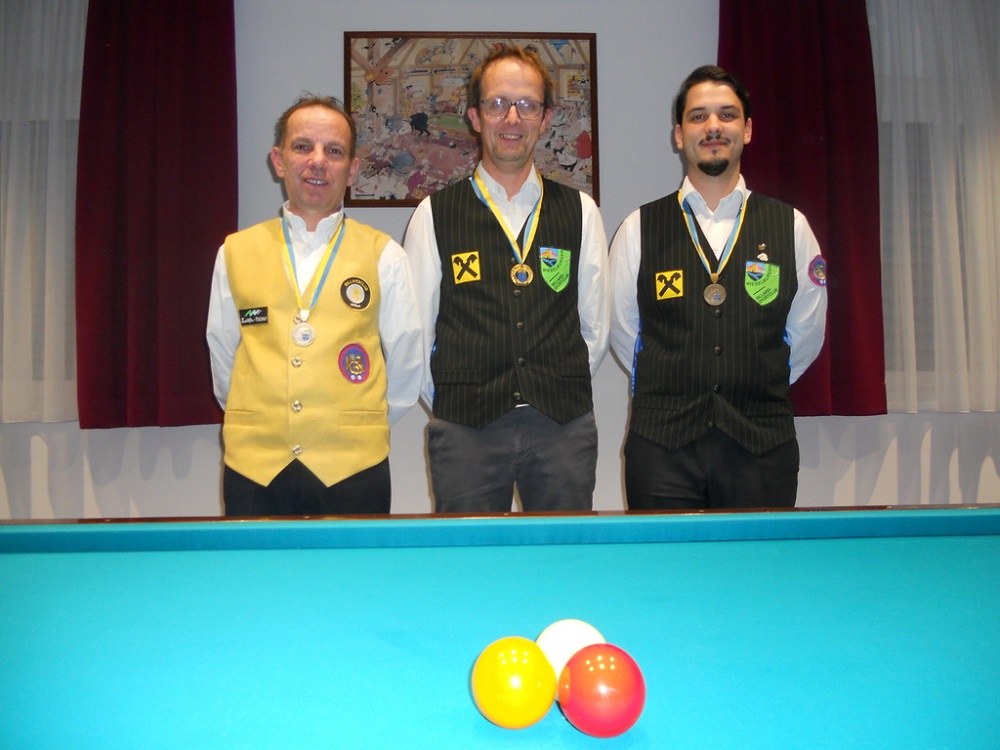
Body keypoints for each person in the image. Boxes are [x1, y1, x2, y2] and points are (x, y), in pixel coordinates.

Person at [609, 65, 827, 509]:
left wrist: (749, 381)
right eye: (698, 116)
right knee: (664, 558)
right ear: (679, 135)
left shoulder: (791, 226)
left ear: (747, 130)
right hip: (662, 449)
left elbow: (806, 332)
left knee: (757, 558)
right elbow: (623, 330)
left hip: (761, 447)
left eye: (727, 115)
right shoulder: (638, 228)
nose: (713, 126)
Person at [404, 45, 609, 513]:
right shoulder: (433, 214)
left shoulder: (581, 211)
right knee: (470, 557)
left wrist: (553, 385)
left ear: (545, 118)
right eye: (497, 103)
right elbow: (417, 332)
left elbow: (595, 328)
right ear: (475, 117)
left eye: (526, 105)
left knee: (563, 555)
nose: (511, 117)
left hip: (562, 427)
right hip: (466, 431)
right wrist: (459, 398)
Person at [206, 95, 422, 516]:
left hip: (355, 471)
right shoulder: (233, 252)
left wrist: (355, 425)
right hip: (254, 471)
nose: (318, 161)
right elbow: (223, 356)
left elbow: (406, 366)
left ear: (352, 170)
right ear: (279, 161)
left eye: (334, 151)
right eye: (303, 147)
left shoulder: (385, 256)